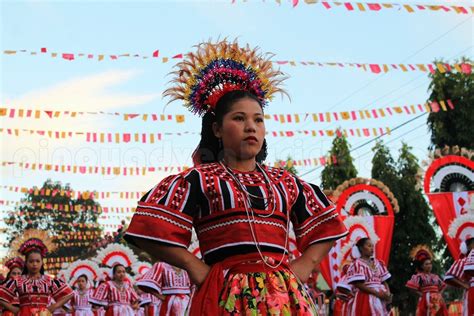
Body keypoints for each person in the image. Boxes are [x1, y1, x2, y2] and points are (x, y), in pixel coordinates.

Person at [124, 39, 348, 315]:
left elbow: (327, 223)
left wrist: (306, 264)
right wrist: (195, 268)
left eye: (258, 119)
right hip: (224, 295)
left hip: (284, 297)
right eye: (239, 119)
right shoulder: (200, 180)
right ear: (217, 129)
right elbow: (148, 228)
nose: (251, 127)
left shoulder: (285, 182)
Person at [0, 230, 73, 315]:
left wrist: (53, 306)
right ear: (26, 263)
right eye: (31, 261)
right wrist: (15, 310)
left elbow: (69, 293)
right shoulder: (17, 280)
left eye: (38, 261)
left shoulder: (49, 280)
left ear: (42, 263)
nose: (34, 264)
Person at [346, 238, 392, 315]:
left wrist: (388, 294)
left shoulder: (378, 263)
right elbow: (358, 284)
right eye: (369, 246)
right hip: (365, 298)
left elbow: (384, 281)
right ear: (361, 248)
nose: (372, 248)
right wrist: (377, 293)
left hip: (381, 298)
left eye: (372, 246)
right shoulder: (357, 264)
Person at [406, 245, 447, 316]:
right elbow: (411, 287)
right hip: (426, 300)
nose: (429, 265)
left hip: (437, 300)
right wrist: (423, 295)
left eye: (430, 263)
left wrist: (439, 294)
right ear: (422, 266)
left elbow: (443, 286)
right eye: (426, 264)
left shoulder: (435, 276)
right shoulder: (419, 276)